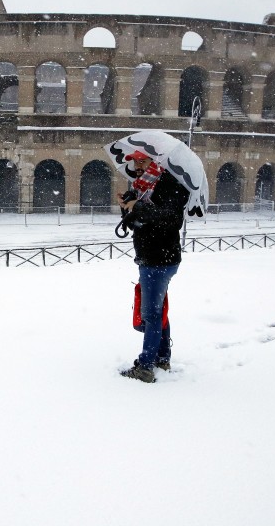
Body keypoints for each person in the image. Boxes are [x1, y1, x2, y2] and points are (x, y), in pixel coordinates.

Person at [118, 150, 190, 383]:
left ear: (155, 161)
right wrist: (127, 206)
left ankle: (146, 367)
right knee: (158, 311)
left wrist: (138, 206)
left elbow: (172, 220)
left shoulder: (170, 184)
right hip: (151, 257)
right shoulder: (141, 186)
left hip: (160, 258)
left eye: (143, 160)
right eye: (135, 161)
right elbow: (137, 223)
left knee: (151, 314)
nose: (137, 165)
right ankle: (162, 358)